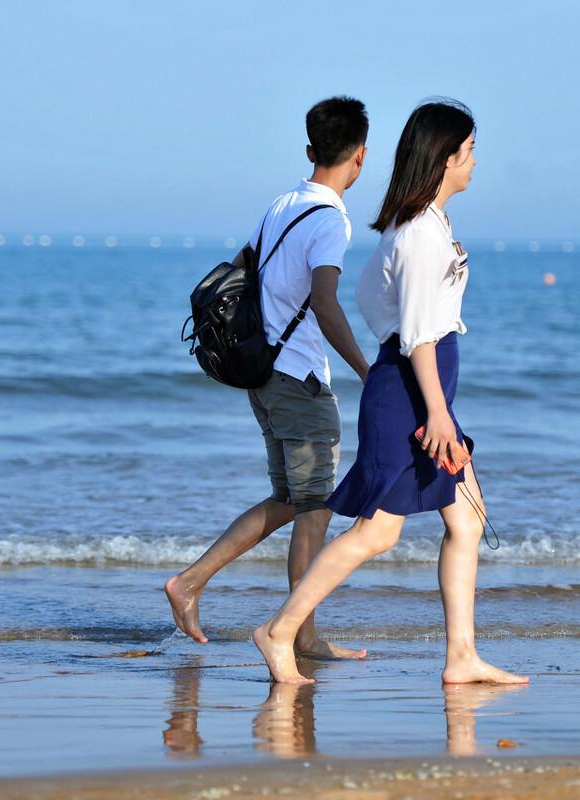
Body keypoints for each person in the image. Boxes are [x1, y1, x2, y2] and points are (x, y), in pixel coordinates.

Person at [253, 98, 529, 686]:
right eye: (470, 150)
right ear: (445, 157)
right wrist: (437, 415)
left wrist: (433, 399)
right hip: (410, 395)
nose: (476, 161)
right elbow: (420, 338)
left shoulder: (422, 223)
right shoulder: (419, 234)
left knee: (469, 521)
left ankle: (461, 658)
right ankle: (278, 632)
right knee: (377, 532)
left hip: (419, 389)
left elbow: (376, 302)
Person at [165, 96, 371, 661]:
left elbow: (238, 270)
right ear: (361, 156)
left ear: (310, 150)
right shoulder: (330, 219)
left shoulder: (281, 204)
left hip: (263, 376)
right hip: (300, 379)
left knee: (291, 500)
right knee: (315, 508)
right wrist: (367, 370)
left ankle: (192, 583)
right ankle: (300, 637)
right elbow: (326, 304)